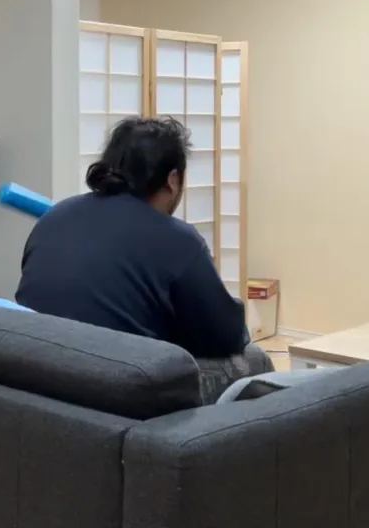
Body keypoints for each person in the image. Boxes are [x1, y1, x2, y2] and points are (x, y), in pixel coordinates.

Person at [16, 117, 270, 402]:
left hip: (39, 379)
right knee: (255, 360)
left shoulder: (53, 218)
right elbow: (228, 337)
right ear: (172, 179)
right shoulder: (177, 239)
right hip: (117, 392)